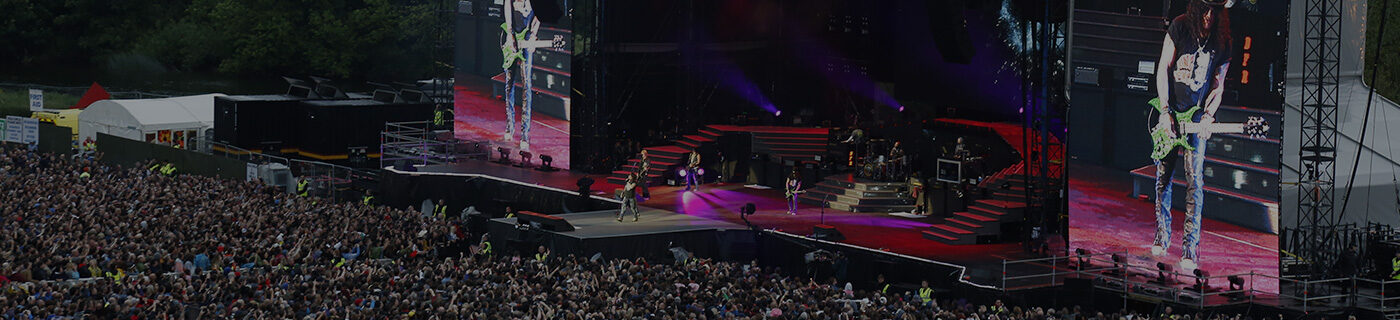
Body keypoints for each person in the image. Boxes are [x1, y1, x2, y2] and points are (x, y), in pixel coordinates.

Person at [1151, 0, 1233, 273]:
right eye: (1206, 9)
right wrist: (1164, 111)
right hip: (1171, 112)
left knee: (1194, 182)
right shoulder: (1180, 26)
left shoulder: (1223, 43)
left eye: (1216, 11)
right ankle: (1162, 236)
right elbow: (1163, 67)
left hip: (1196, 119)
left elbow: (1218, 85)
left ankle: (1190, 246)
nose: (1210, 16)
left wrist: (1210, 115)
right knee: (1163, 178)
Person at [502, 0, 542, 152]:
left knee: (527, 86)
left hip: (526, 40)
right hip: (511, 39)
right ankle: (509, 125)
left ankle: (525, 133)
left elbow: (539, 16)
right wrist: (510, 35)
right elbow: (508, 14)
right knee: (509, 84)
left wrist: (533, 36)